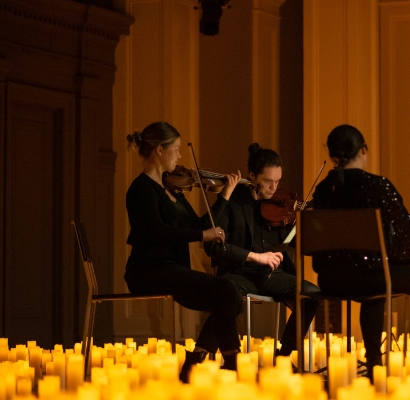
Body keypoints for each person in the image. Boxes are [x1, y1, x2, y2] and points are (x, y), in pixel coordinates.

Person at [311, 124, 410, 374]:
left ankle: (375, 361)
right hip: (370, 276)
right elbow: (405, 235)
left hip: (330, 280)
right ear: (364, 150)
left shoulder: (322, 191)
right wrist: (398, 259)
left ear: (332, 156)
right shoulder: (377, 186)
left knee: (375, 277)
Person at [123, 121, 244, 382]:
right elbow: (158, 231)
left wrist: (225, 194)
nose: (179, 156)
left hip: (172, 268)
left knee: (229, 296)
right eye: (176, 149)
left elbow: (201, 226)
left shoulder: (173, 190)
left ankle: (197, 362)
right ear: (159, 151)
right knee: (226, 292)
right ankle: (231, 367)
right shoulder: (140, 189)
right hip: (148, 270)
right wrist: (203, 235)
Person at [205, 144, 320, 361]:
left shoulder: (280, 206)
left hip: (272, 275)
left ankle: (284, 356)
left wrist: (303, 225)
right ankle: (204, 354)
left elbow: (292, 243)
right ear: (252, 176)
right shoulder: (232, 201)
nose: (273, 188)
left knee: (311, 295)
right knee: (225, 293)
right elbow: (214, 246)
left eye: (277, 181)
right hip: (240, 272)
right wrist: (254, 257)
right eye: (267, 181)